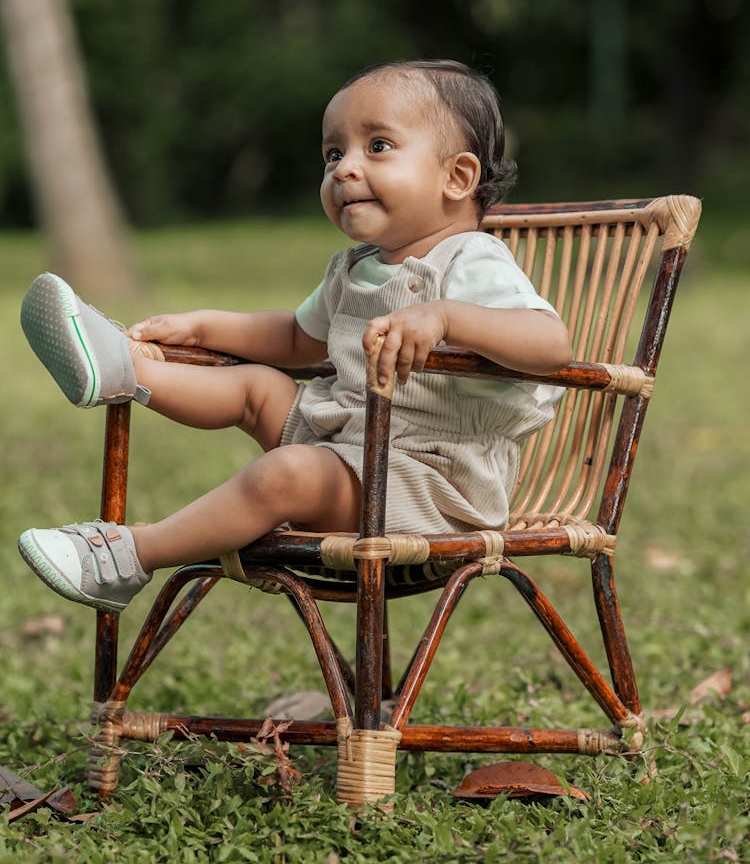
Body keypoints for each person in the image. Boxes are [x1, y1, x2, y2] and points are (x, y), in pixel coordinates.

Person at [18, 59, 572, 615]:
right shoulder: (356, 269)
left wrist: (446, 317)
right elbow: (294, 338)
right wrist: (203, 325)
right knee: (257, 385)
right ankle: (120, 368)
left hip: (433, 486)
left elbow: (551, 345)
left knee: (287, 472)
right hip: (351, 449)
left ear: (457, 178)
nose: (344, 169)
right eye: (334, 153)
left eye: (377, 146)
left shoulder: (472, 261)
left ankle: (128, 557)